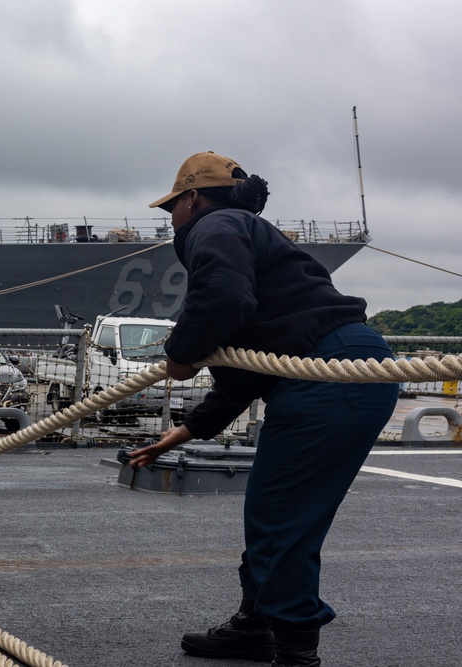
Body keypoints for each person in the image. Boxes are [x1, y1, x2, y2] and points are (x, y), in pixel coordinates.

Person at [128, 152, 397, 667]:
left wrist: (180, 354)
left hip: (327, 375)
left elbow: (224, 296)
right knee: (279, 513)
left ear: (192, 198)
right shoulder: (249, 231)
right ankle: (257, 624)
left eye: (171, 208)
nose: (171, 219)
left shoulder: (216, 224)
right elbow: (253, 368)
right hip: (342, 367)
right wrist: (186, 431)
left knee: (280, 518)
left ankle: (296, 652)